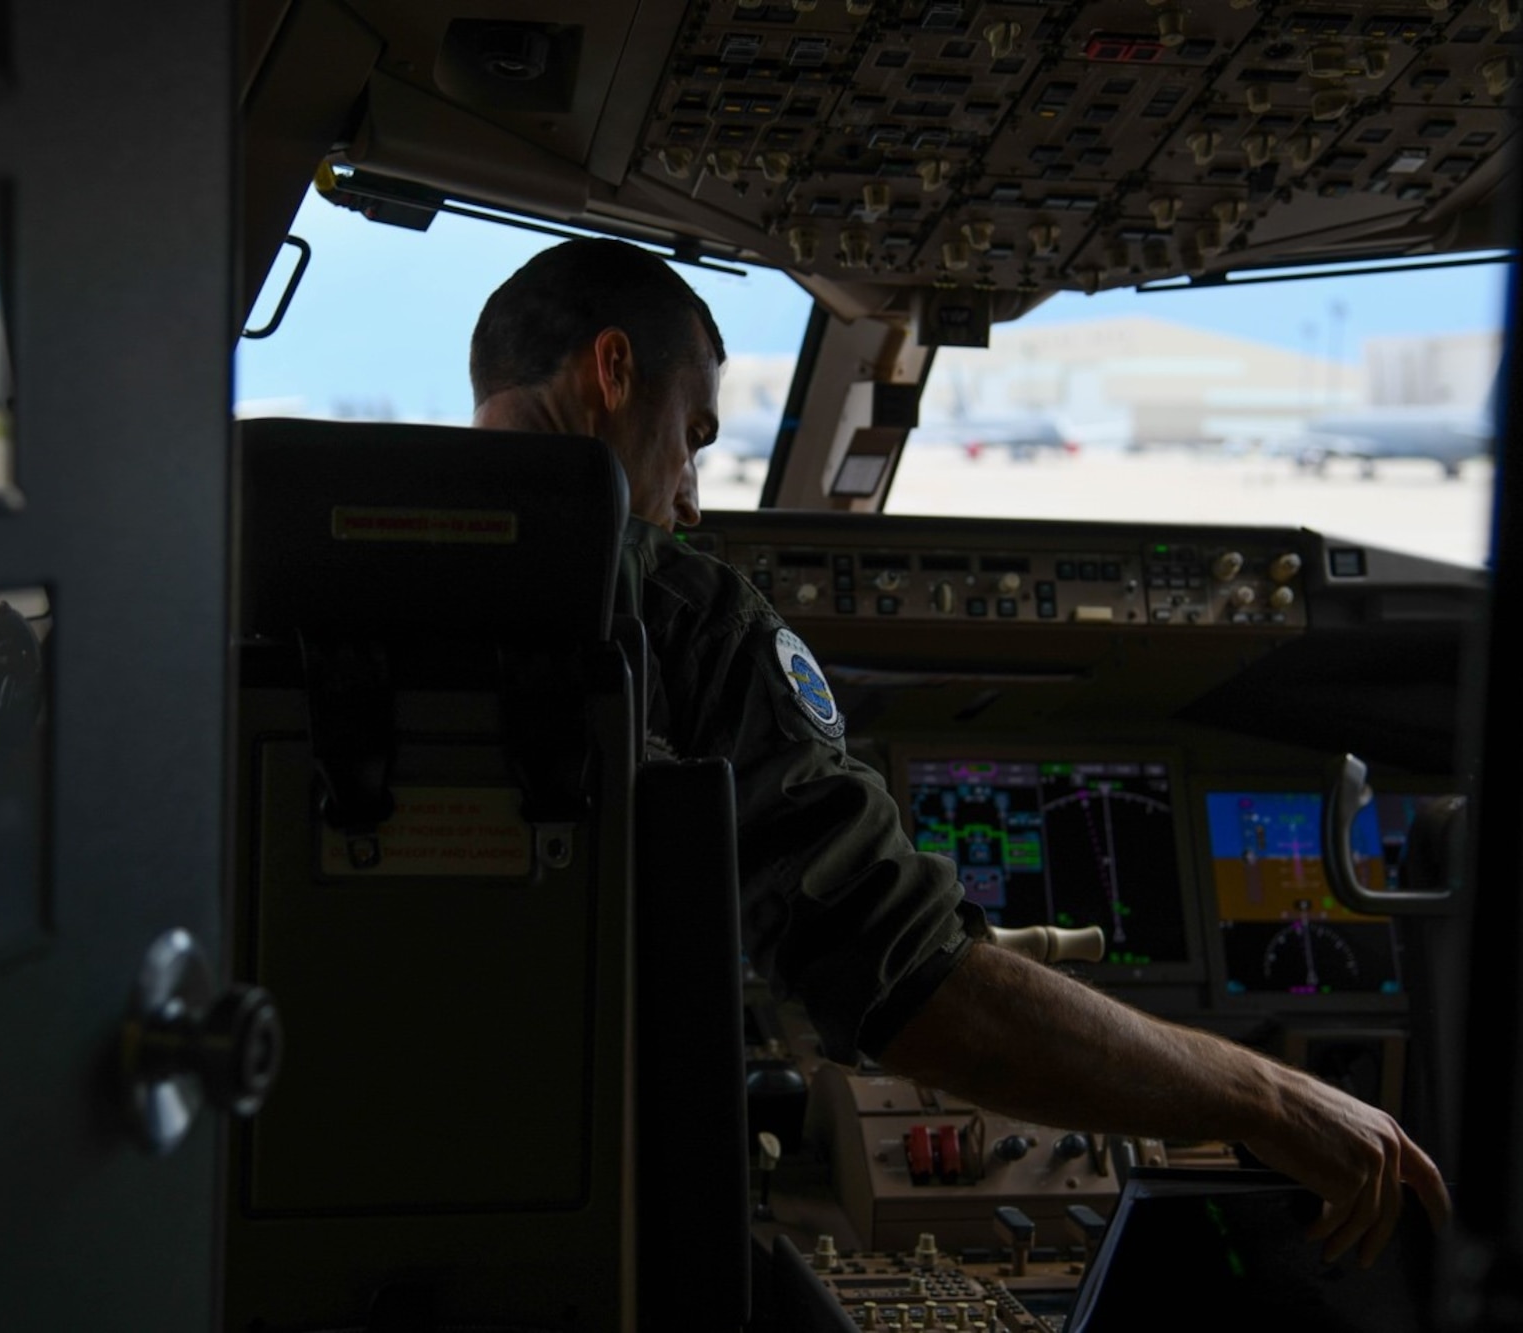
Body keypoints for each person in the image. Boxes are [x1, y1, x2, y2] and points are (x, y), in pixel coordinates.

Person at [469, 238, 1451, 1269]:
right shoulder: (680, 617)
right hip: (596, 1247)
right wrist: (1263, 1093)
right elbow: (902, 982)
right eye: (693, 436)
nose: (691, 498)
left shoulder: (296, 564)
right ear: (611, 372)